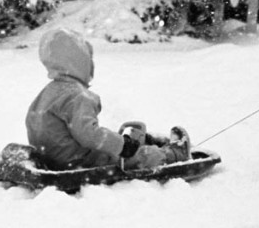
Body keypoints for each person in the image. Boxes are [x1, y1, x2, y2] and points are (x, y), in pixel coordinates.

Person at [26, 27, 190, 170]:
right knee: (130, 158)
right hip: (79, 161)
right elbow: (89, 135)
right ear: (80, 61)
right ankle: (170, 155)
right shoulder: (76, 95)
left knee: (110, 147)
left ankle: (135, 141)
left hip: (56, 158)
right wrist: (122, 146)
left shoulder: (48, 93)